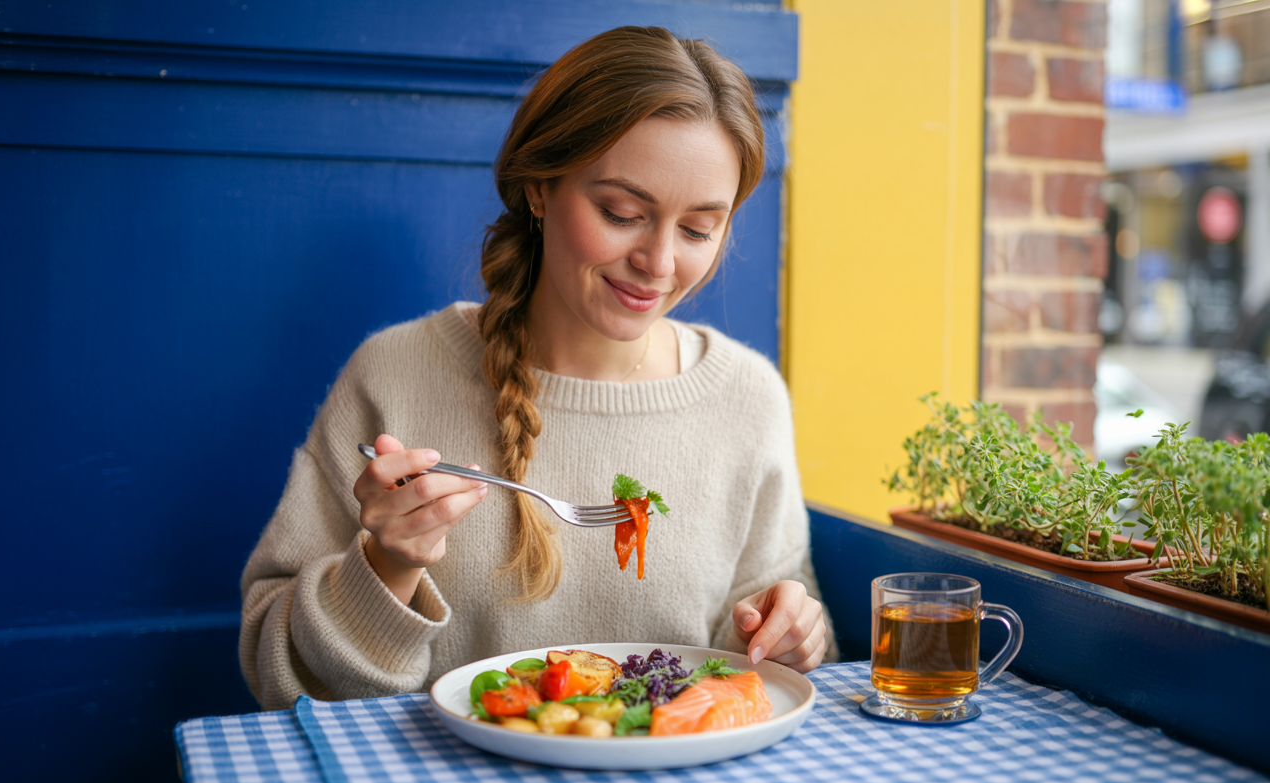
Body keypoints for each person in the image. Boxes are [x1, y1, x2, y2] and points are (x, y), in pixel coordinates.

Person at [240, 25, 834, 711]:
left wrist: (791, 632)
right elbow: (276, 671)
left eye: (699, 228)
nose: (660, 263)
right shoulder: (394, 374)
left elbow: (779, 647)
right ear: (539, 188)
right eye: (621, 212)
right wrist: (386, 565)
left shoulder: (747, 397)